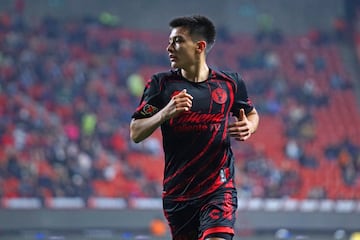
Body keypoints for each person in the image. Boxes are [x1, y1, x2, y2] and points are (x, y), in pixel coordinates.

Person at [130, 15, 259, 240]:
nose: (169, 47)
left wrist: (249, 126)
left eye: (177, 41)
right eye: (170, 41)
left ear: (199, 46)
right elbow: (136, 132)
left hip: (219, 189)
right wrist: (165, 113)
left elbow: (251, 113)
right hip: (178, 194)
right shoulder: (160, 85)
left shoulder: (230, 83)